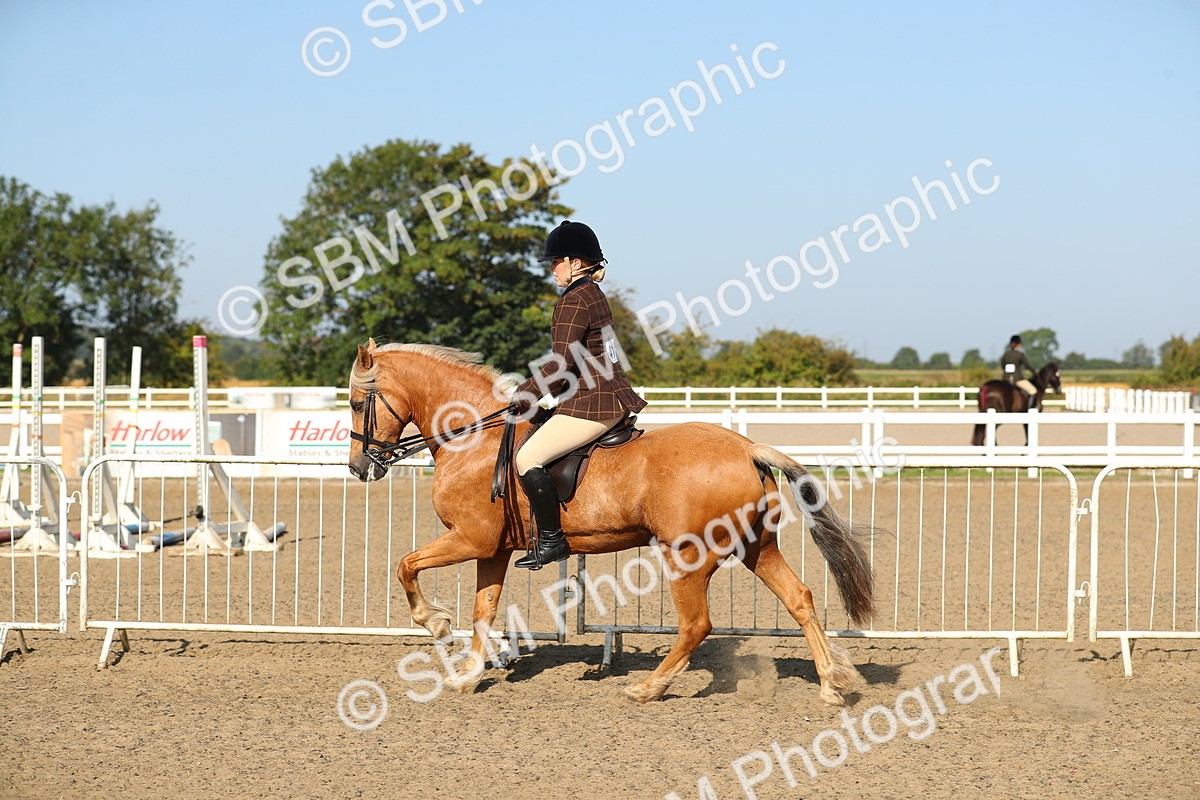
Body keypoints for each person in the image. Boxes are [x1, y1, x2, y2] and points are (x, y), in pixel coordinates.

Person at [509, 220, 647, 570]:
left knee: (527, 458)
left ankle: (552, 541)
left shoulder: (574, 299)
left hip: (592, 403)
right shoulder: (592, 294)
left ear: (575, 263)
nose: (551, 268)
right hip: (604, 396)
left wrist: (525, 392)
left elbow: (560, 363)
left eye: (555, 261)